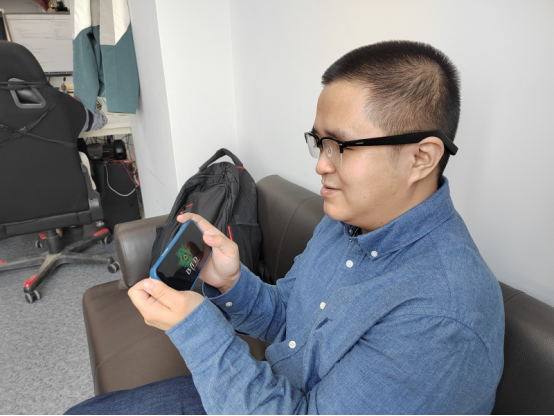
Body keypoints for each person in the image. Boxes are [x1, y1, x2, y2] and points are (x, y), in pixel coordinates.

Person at [66, 40, 505, 415]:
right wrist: (232, 282)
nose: (321, 165)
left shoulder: (441, 318)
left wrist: (198, 329)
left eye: (341, 145)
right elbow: (289, 320)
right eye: (319, 142)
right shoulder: (346, 221)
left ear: (421, 158)